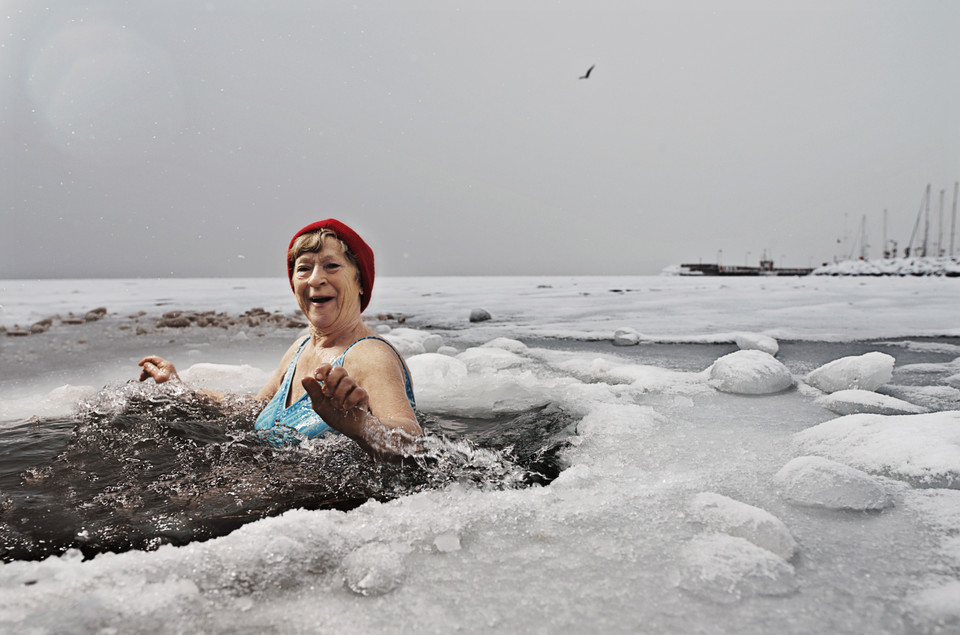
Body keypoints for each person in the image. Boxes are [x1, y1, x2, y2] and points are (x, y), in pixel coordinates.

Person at [138, 219, 422, 460]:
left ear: (360, 281)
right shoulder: (299, 349)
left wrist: (362, 427)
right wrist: (180, 388)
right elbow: (256, 406)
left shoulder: (369, 355)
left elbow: (412, 439)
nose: (315, 279)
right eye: (304, 268)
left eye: (331, 266)